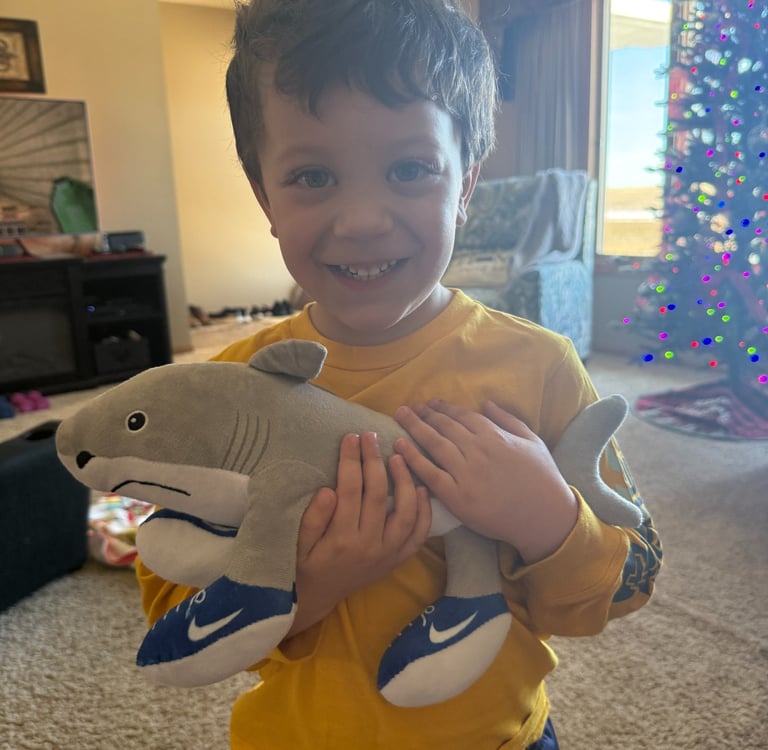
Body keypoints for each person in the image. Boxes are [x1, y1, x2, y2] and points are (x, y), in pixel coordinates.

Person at [136, 1, 662, 747]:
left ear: (466, 183)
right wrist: (314, 578)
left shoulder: (540, 366)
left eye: (410, 169)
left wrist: (546, 517)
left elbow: (631, 582)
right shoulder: (224, 388)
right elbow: (169, 616)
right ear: (264, 197)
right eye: (313, 175)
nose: (363, 220)